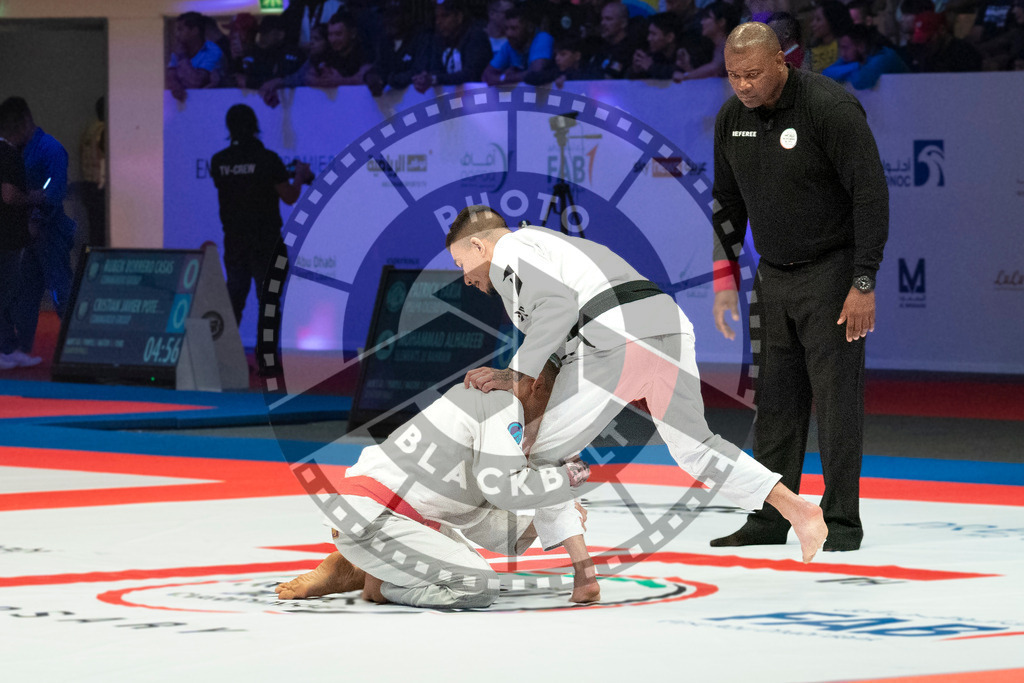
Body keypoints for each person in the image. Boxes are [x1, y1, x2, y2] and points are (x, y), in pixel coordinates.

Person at [446, 208, 829, 564]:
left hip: (616, 336)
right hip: (668, 326)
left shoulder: (510, 249)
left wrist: (514, 378)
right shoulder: (553, 246)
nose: (465, 277)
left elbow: (556, 311)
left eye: (461, 263)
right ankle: (798, 509)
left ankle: (582, 570)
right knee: (696, 447)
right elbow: (549, 366)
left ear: (479, 245)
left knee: (543, 456)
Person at [709, 23, 889, 553]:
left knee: (835, 401)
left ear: (781, 63)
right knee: (774, 403)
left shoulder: (829, 108)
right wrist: (724, 279)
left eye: (752, 74)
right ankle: (770, 518)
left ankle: (842, 521)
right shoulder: (731, 118)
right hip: (773, 274)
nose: (743, 85)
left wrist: (863, 280)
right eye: (733, 75)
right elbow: (727, 204)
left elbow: (870, 196)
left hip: (833, 273)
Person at [274, 378, 597, 608]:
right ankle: (380, 583)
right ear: (536, 387)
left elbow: (480, 516)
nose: (555, 417)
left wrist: (582, 570)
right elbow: (511, 488)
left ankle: (366, 565)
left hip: (405, 518)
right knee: (477, 586)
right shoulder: (500, 407)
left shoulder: (508, 416)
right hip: (373, 517)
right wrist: (564, 481)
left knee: (472, 563)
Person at [210, 105, 313, 352]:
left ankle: (223, 358)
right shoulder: (268, 159)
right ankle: (266, 360)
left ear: (229, 127)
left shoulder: (218, 161)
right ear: (255, 126)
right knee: (268, 302)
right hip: (266, 243)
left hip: (234, 242)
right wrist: (300, 176)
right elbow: (289, 196)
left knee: (234, 300)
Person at [0, 97, 76, 368]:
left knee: (61, 290)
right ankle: (17, 348)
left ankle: (77, 347)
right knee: (23, 294)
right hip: (25, 235)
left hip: (49, 232)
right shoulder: (18, 149)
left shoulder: (51, 149)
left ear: (25, 122)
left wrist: (29, 206)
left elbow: (55, 192)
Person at [0, 125, 44, 370]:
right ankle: (5, 348)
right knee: (7, 293)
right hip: (8, 236)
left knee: (7, 294)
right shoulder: (8, 154)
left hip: (8, 236)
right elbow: (8, 195)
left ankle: (7, 347)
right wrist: (31, 198)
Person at [412, 0, 493, 93]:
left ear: (459, 17)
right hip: (450, 97)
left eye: (444, 16)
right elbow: (435, 70)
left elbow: (471, 74)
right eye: (436, 17)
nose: (438, 22)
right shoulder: (439, 39)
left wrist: (436, 79)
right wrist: (426, 78)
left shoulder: (476, 37)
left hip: (479, 97)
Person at [482, 6, 554, 86]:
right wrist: (506, 77)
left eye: (514, 28)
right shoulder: (509, 45)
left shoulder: (542, 38)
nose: (508, 34)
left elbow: (535, 73)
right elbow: (486, 76)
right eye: (506, 28)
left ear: (529, 28)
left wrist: (505, 77)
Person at [822, 24, 909, 88]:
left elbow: (860, 82)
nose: (842, 53)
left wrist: (843, 73)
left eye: (845, 47)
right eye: (841, 48)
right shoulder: (852, 60)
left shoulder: (883, 56)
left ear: (861, 46)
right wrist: (855, 66)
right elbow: (825, 74)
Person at [166, 11, 225, 102]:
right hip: (185, 105)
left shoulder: (212, 50)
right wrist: (176, 86)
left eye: (180, 29)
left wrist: (182, 57)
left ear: (194, 31)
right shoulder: (179, 49)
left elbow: (195, 83)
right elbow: (170, 76)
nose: (177, 35)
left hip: (212, 102)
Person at [306, 10, 374, 88]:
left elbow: (368, 78)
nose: (333, 40)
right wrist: (322, 81)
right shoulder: (327, 53)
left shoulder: (364, 53)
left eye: (338, 34)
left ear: (353, 34)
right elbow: (308, 77)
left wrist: (341, 81)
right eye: (330, 34)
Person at [676, 2, 741, 80]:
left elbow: (714, 68)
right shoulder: (719, 46)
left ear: (721, 22)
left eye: (707, 17)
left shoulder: (729, 44)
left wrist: (686, 76)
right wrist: (687, 67)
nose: (702, 22)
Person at [585, 2, 642, 79]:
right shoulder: (601, 48)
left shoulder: (631, 50)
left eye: (608, 19)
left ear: (623, 23)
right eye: (602, 19)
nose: (603, 23)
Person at [78, 96, 106, 247]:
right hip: (101, 188)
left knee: (95, 232)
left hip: (88, 186)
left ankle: (94, 258)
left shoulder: (90, 130)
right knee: (103, 234)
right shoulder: (104, 130)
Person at [629, 12, 684, 78]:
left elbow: (680, 73)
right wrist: (636, 70)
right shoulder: (655, 55)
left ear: (670, 37)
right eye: (649, 33)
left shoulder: (684, 53)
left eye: (653, 34)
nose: (648, 38)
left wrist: (651, 67)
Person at [807, 1, 854, 72]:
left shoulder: (844, 47)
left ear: (831, 20)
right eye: (813, 19)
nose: (812, 24)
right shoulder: (811, 49)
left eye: (818, 19)